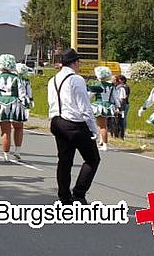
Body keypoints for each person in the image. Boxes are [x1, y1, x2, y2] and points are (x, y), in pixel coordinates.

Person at [48, 48, 100, 205]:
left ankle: (64, 197)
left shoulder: (53, 80)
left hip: (57, 121)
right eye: (79, 62)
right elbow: (84, 107)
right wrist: (93, 128)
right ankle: (79, 193)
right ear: (74, 63)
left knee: (64, 160)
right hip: (74, 123)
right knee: (92, 159)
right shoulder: (76, 79)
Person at [90, 66, 117, 151]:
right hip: (108, 105)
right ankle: (102, 141)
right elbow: (115, 98)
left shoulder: (97, 85)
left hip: (99, 105)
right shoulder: (111, 86)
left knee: (102, 126)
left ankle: (104, 144)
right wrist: (117, 106)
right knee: (102, 125)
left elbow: (90, 95)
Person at [112, 75, 130, 139]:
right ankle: (115, 134)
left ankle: (121, 135)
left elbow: (123, 99)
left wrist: (119, 108)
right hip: (117, 106)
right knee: (115, 120)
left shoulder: (122, 88)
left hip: (122, 106)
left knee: (121, 120)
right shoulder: (115, 87)